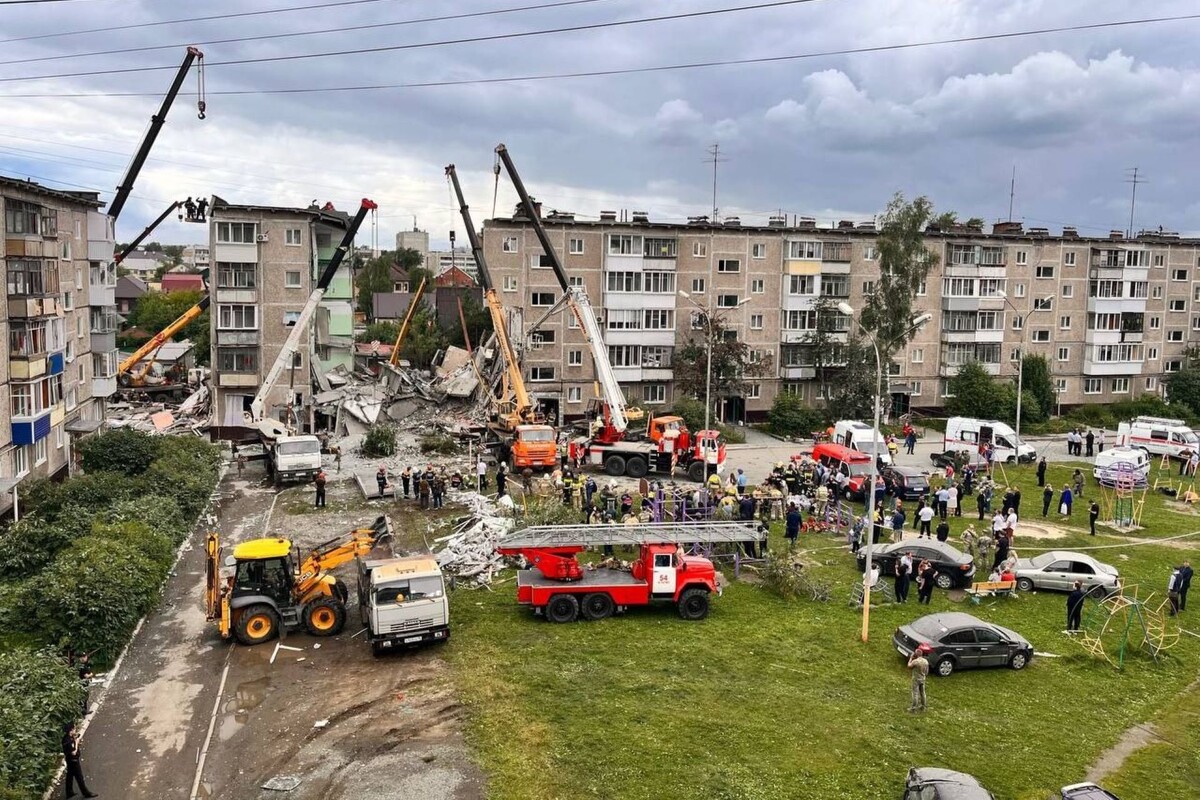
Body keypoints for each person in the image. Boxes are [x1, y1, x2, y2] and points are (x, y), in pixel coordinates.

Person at [62, 721, 97, 798]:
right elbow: (73, 752)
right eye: (74, 728)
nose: (75, 730)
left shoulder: (66, 738)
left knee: (70, 775)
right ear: (70, 730)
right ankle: (86, 793)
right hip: (73, 761)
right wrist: (76, 742)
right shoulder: (69, 741)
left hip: (69, 760)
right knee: (79, 777)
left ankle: (69, 791)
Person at [907, 644, 930, 713]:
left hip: (916, 679)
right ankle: (923, 706)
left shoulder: (916, 661)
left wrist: (910, 658)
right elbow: (927, 672)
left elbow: (909, 666)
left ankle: (913, 708)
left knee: (915, 693)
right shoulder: (926, 661)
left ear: (916, 654)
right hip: (923, 678)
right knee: (923, 692)